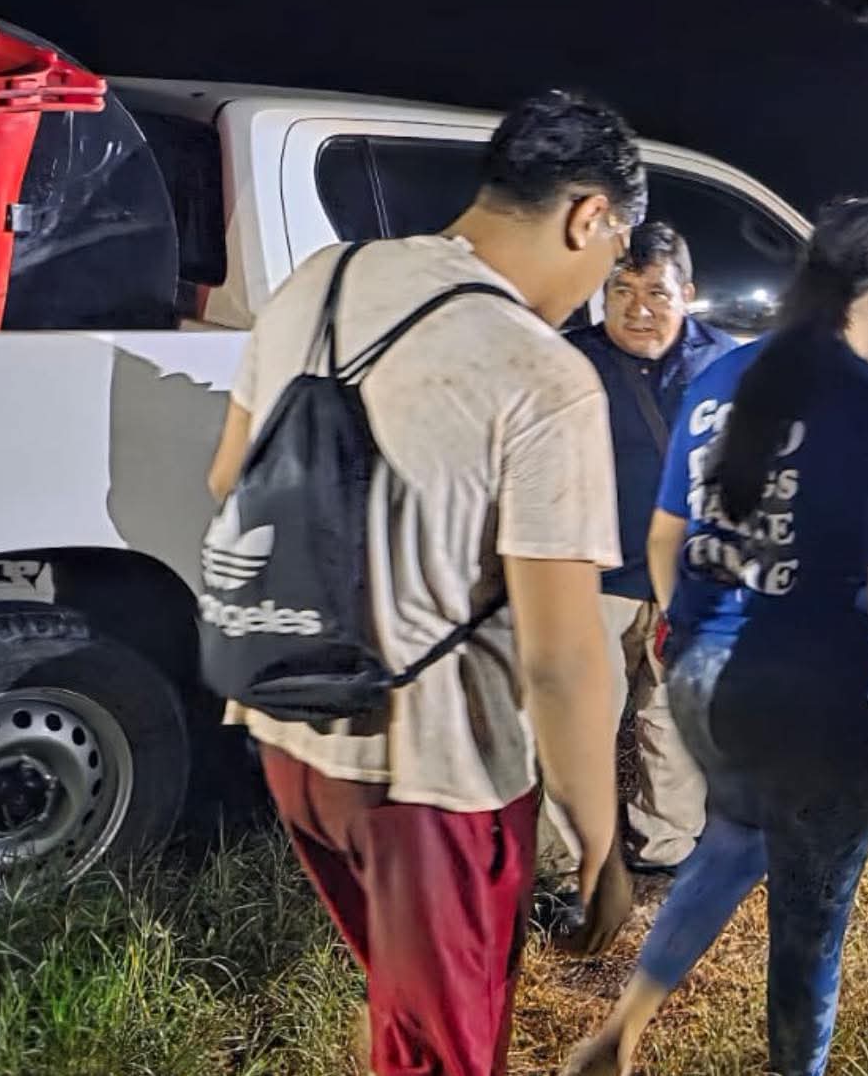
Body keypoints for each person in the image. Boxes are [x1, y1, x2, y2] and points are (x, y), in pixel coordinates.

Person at [207, 89, 646, 1076]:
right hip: (435, 778)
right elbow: (564, 655)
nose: (599, 285)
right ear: (590, 216)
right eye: (613, 255)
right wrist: (600, 848)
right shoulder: (542, 372)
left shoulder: (321, 279)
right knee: (443, 1053)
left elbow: (228, 477)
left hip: (291, 729)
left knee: (407, 1014)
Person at [564, 197, 868, 1076]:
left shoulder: (715, 378)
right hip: (813, 706)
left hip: (711, 686)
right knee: (810, 935)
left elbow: (667, 541)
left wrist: (682, 633)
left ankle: (619, 1030)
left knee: (734, 839)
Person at [540, 222, 735, 877]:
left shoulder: (726, 363)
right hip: (592, 579)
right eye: (621, 289)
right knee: (579, 729)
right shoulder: (571, 358)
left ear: (689, 292)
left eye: (656, 291)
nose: (638, 307)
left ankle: (665, 852)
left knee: (673, 725)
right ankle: (564, 870)